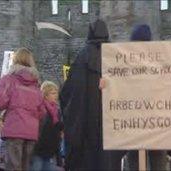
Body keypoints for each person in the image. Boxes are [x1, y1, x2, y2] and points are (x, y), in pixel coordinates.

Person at [60, 19, 125, 171]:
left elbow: (67, 94)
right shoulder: (116, 58)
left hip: (84, 128)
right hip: (109, 128)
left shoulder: (81, 58)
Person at [0, 47, 45, 170]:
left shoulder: (9, 80)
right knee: (25, 167)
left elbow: (0, 102)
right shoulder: (36, 84)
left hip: (14, 128)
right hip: (31, 131)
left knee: (13, 166)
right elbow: (42, 111)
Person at [30, 80, 64, 171]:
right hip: (38, 149)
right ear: (45, 94)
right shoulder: (40, 108)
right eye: (53, 93)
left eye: (56, 93)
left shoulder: (57, 111)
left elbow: (57, 128)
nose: (56, 95)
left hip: (50, 150)